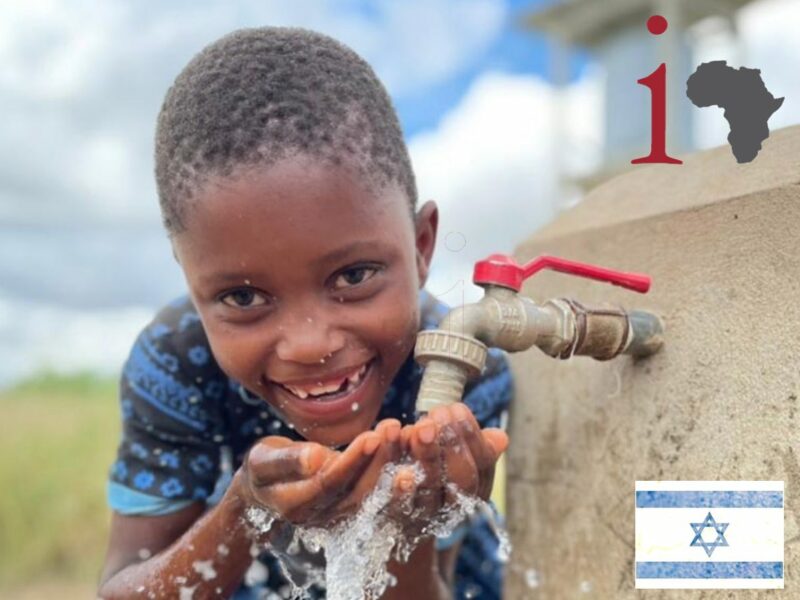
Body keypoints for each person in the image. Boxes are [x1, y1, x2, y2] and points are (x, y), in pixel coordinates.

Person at [98, 26, 512, 600]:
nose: (309, 344)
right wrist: (245, 510)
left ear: (420, 247)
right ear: (191, 280)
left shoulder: (460, 369)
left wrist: (405, 530)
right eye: (244, 298)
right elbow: (123, 588)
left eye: (353, 276)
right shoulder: (177, 366)